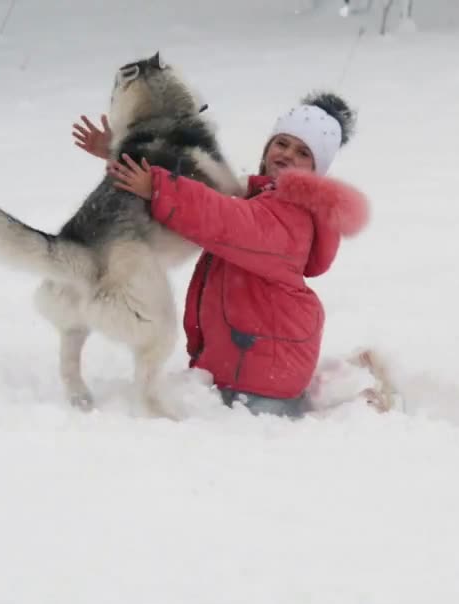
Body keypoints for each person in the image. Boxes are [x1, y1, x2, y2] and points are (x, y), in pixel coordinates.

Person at [71, 92, 369, 418]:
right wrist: (122, 155)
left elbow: (221, 219)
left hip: (259, 377)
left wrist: (158, 186)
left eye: (302, 153)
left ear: (316, 170)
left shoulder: (291, 216)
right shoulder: (257, 198)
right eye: (282, 143)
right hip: (248, 363)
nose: (287, 154)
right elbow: (202, 190)